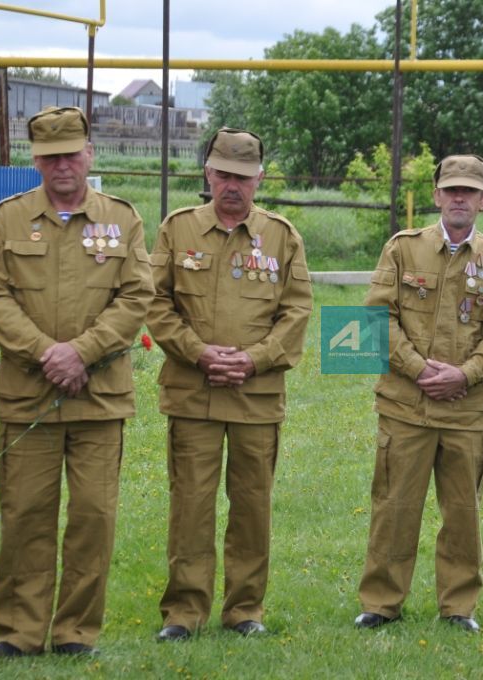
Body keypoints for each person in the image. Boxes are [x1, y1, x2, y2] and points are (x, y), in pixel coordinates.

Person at [0, 106, 153, 657]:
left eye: (71, 154)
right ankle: (19, 633)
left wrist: (81, 353)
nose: (62, 167)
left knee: (93, 519)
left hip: (99, 397)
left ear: (89, 154)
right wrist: (44, 353)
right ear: (36, 161)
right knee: (25, 514)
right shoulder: (8, 218)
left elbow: (137, 296)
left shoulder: (123, 219)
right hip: (29, 394)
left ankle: (76, 633)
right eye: (49, 158)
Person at [147, 127, 312, 640]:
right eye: (223, 175)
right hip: (193, 393)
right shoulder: (177, 230)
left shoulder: (282, 237)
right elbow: (155, 303)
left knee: (251, 507)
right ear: (208, 174)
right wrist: (198, 354)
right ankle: (184, 612)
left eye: (243, 177)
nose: (232, 186)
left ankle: (245, 611)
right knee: (191, 506)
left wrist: (253, 360)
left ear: (259, 179)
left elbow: (297, 311)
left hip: (255, 398)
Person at [353, 154, 483, 634]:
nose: (459, 198)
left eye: (469, 191)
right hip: (405, 406)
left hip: (465, 411)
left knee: (463, 515)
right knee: (394, 508)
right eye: (451, 189)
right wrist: (417, 367)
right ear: (435, 196)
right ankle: (381, 603)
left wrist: (464, 374)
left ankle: (459, 607)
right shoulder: (403, 250)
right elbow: (375, 317)